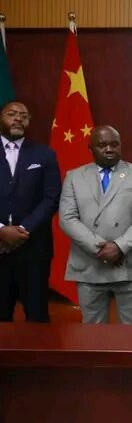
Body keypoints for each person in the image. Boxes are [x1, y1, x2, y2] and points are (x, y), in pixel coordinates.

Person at [59, 126, 132, 324]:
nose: (109, 149)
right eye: (102, 145)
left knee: (131, 333)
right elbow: (67, 218)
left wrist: (119, 247)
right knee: (93, 334)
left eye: (114, 144)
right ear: (91, 148)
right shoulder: (74, 177)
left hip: (129, 264)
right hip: (89, 264)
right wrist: (100, 249)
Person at [0, 101, 61, 322]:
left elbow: (52, 198)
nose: (18, 118)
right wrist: (1, 230)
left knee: (37, 317)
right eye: (12, 114)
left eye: (24, 115)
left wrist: (23, 230)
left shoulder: (44, 154)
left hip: (34, 247)